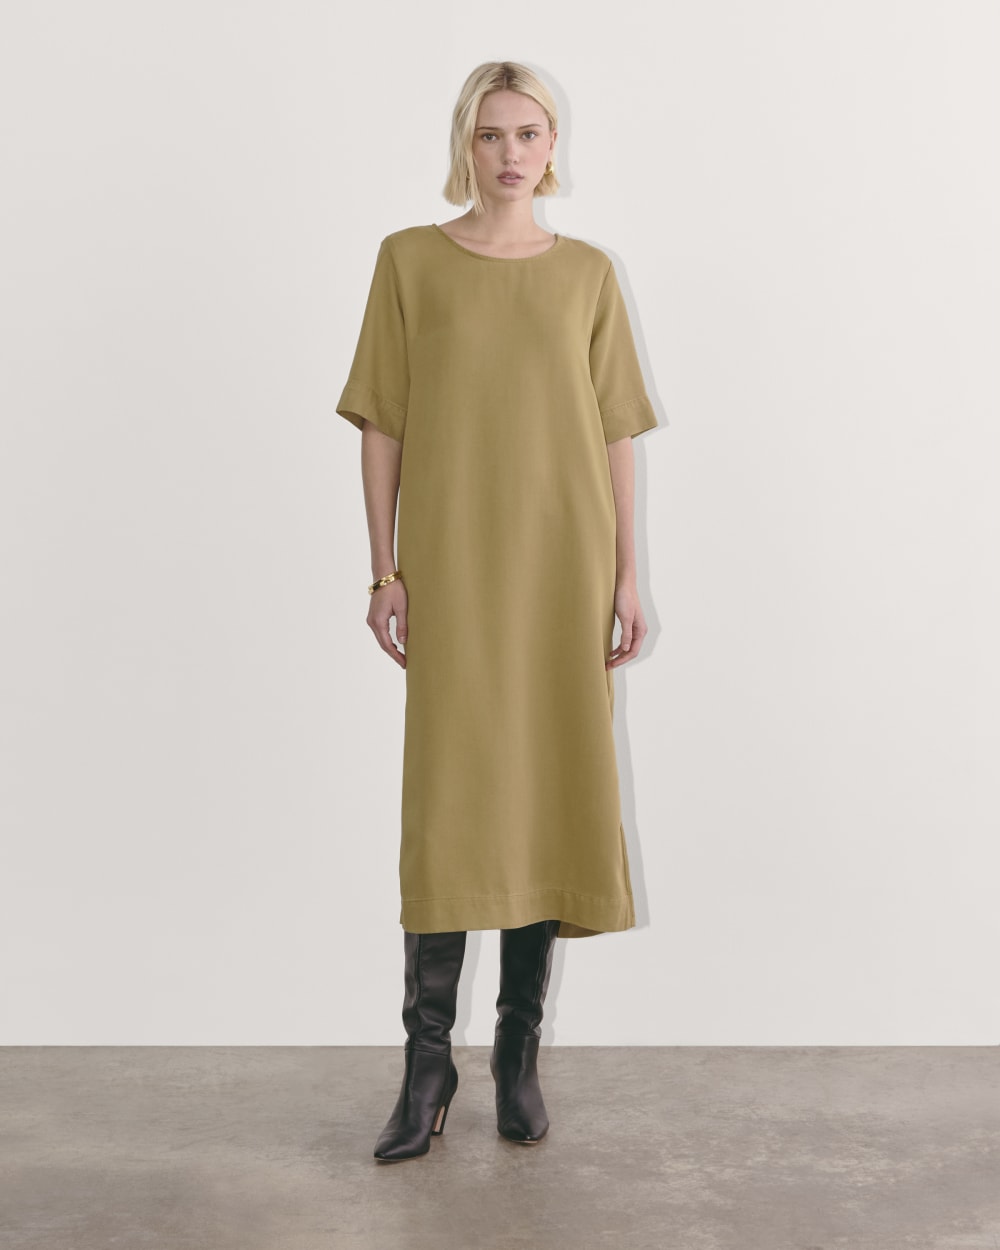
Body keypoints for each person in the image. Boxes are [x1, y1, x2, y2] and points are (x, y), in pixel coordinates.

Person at [336, 60, 658, 1162]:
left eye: (528, 133)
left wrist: (626, 576)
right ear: (463, 145)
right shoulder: (409, 261)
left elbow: (616, 430)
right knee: (449, 797)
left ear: (553, 145)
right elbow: (381, 422)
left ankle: (517, 1052)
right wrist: (384, 571)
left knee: (545, 789)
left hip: (563, 567)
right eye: (490, 134)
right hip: (456, 566)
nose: (510, 153)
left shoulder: (588, 275)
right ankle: (426, 1065)